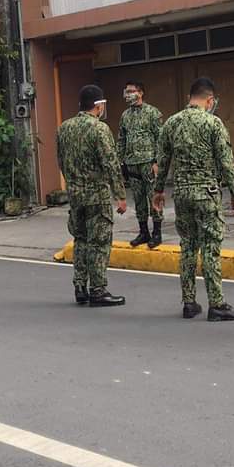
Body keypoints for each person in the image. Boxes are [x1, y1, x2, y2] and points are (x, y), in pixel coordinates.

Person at [153, 77, 234, 322]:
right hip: (206, 194)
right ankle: (216, 304)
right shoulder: (213, 123)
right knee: (210, 248)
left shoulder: (171, 124)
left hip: (182, 194)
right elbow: (226, 162)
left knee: (187, 247)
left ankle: (189, 302)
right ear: (210, 100)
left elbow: (162, 162)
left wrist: (158, 190)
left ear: (189, 98)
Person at [56, 85, 127, 307]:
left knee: (81, 240)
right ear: (98, 106)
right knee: (99, 242)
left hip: (75, 194)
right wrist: (120, 195)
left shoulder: (64, 128)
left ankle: (80, 286)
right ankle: (98, 289)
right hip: (97, 194)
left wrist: (73, 183)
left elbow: (61, 161)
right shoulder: (99, 129)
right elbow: (111, 164)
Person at [117, 81, 164, 248]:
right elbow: (121, 139)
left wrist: (158, 162)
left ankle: (157, 233)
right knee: (138, 200)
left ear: (141, 93)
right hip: (132, 164)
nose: (128, 94)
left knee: (154, 198)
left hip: (148, 163)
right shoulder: (125, 115)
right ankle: (143, 231)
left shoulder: (152, 113)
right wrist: (120, 161)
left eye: (132, 91)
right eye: (126, 91)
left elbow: (161, 139)